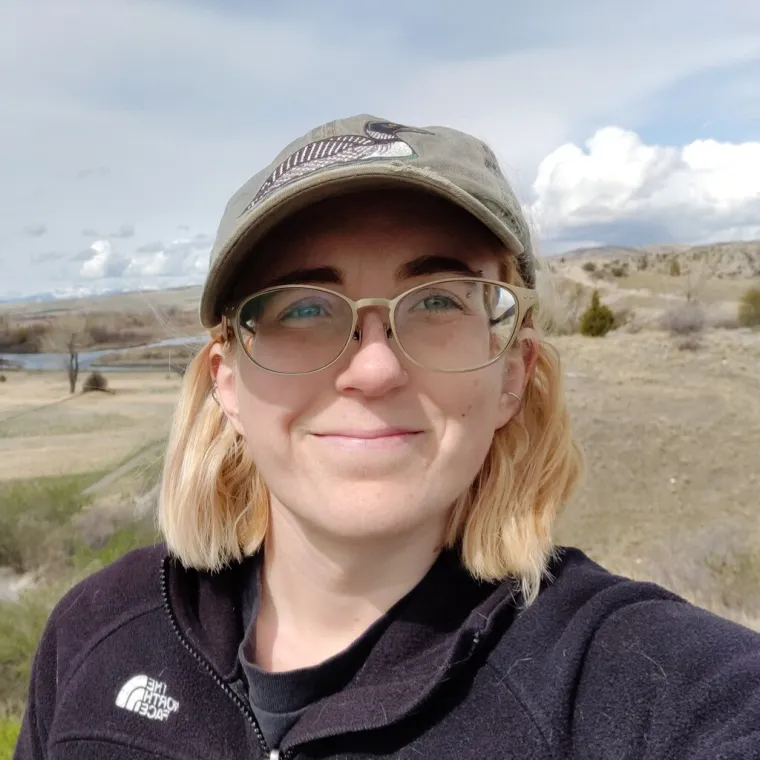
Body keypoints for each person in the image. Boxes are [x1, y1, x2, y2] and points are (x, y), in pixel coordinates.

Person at [13, 114, 760, 760]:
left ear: (512, 372)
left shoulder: (635, 683)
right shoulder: (99, 629)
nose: (372, 369)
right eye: (303, 308)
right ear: (227, 381)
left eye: (437, 299)